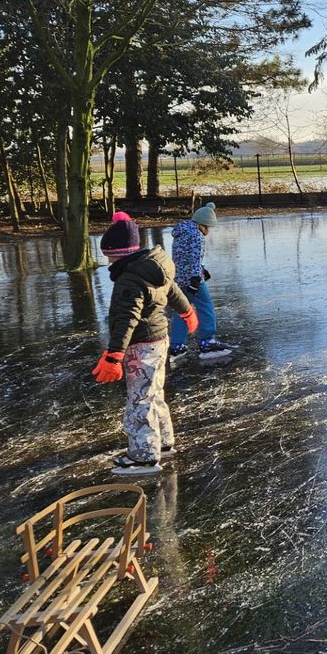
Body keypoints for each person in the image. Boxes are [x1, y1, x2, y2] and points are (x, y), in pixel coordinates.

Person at [94, 213, 198, 476]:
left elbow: (126, 319)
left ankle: (143, 457)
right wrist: (187, 311)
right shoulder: (154, 265)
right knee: (154, 394)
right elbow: (172, 289)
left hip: (140, 345)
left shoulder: (130, 278)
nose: (109, 261)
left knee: (140, 400)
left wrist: (114, 356)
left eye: (110, 256)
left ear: (119, 253)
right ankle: (163, 442)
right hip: (159, 339)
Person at [167, 202, 234, 358]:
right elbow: (194, 259)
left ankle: (177, 345)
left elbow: (183, 256)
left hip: (179, 277)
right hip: (192, 279)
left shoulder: (181, 232)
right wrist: (196, 279)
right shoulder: (197, 235)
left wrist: (202, 270)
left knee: (183, 310)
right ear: (204, 224)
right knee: (206, 308)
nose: (208, 231)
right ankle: (207, 341)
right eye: (209, 227)